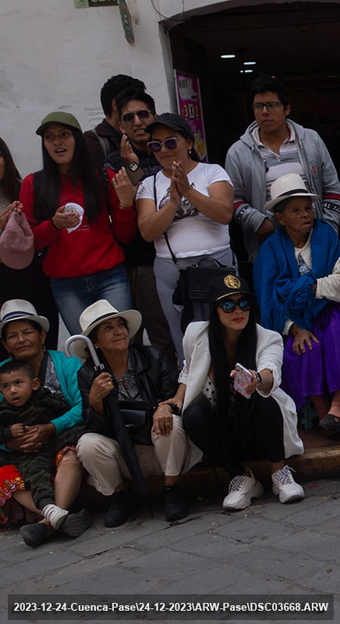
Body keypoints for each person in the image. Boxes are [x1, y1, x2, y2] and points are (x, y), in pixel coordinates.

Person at [176, 274, 304, 510]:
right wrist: (176, 398)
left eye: (244, 303)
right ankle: (241, 477)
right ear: (214, 309)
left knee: (265, 399)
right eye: (228, 304)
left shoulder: (267, 337)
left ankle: (280, 473)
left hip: (260, 432)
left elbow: (271, 371)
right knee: (192, 415)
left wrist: (257, 379)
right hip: (223, 433)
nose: (238, 310)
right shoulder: (196, 335)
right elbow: (189, 369)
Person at [254, 174, 340, 436]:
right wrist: (294, 328)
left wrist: (307, 287)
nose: (306, 215)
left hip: (332, 306)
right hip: (294, 320)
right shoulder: (270, 250)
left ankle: (339, 403)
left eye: (308, 208)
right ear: (280, 218)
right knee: (304, 346)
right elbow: (269, 299)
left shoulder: (326, 235)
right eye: (296, 210)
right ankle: (322, 406)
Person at [75, 301, 202, 526]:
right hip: (125, 455)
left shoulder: (153, 356)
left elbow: (175, 396)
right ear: (95, 342)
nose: (119, 331)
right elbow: (95, 428)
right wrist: (95, 402)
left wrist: (165, 406)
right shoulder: (88, 373)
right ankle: (120, 496)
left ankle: (171, 489)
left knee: (169, 422)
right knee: (87, 443)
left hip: (161, 447)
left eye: (120, 325)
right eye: (108, 328)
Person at [21, 112, 137, 334]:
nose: (57, 142)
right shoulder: (33, 184)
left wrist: (125, 205)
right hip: (65, 284)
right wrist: (53, 225)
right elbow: (30, 243)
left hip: (110, 276)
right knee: (86, 350)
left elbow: (125, 235)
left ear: (77, 139)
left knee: (122, 344)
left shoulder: (104, 176)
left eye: (64, 134)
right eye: (49, 137)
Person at [135, 113, 235, 362]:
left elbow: (224, 213)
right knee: (187, 342)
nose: (163, 150)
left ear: (189, 143)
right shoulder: (149, 184)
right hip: (173, 270)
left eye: (170, 142)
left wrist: (189, 190)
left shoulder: (212, 172)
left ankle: (235, 392)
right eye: (155, 145)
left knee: (229, 336)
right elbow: (147, 231)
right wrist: (173, 203)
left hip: (217, 264)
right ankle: (195, 397)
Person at [225, 75, 340, 264]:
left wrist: (327, 229)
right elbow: (231, 199)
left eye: (271, 105)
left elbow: (332, 189)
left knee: (319, 290)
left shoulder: (311, 141)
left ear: (287, 109)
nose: (264, 112)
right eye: (258, 106)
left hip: (315, 242)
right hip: (267, 246)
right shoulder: (238, 152)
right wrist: (257, 221)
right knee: (274, 292)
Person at [0, 300, 86, 544]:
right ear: (6, 345)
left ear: (42, 335)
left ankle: (47, 524)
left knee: (72, 453)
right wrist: (11, 443)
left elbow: (83, 406)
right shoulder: (1, 374)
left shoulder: (67, 364)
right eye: (12, 336)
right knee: (3, 472)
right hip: (23, 450)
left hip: (61, 437)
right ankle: (57, 515)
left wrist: (51, 427)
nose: (21, 339)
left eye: (27, 332)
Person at [105, 88, 175, 361]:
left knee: (172, 334)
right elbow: (131, 204)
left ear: (154, 116)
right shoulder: (112, 162)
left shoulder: (168, 151)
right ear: (120, 125)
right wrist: (131, 166)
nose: (137, 122)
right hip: (139, 259)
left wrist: (136, 166)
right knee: (135, 337)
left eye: (143, 114)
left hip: (174, 253)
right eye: (129, 117)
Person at [0, 137, 58, 358]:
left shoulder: (24, 187)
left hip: (32, 276)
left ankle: (48, 388)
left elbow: (40, 233)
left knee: (42, 337)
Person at [83, 74, 147, 169]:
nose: (138, 122)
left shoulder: (147, 136)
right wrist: (133, 166)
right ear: (115, 105)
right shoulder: (93, 142)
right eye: (135, 100)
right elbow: (136, 181)